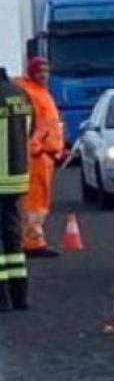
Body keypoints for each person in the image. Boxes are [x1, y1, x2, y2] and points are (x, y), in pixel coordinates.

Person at [15, 56, 64, 259]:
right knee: (34, 202)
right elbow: (32, 123)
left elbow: (49, 124)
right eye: (39, 71)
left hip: (46, 154)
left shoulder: (41, 92)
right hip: (36, 155)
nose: (44, 74)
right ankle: (32, 242)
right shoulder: (28, 91)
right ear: (31, 72)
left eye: (46, 70)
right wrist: (34, 146)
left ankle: (32, 239)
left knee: (39, 201)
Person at [0, 67, 31, 312]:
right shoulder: (20, 94)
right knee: (13, 237)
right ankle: (20, 296)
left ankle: (2, 299)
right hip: (17, 176)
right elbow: (28, 130)